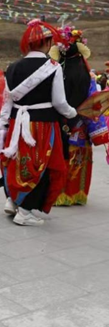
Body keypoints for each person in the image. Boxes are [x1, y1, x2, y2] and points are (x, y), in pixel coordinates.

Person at [0, 20, 77, 226]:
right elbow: (59, 102)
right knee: (41, 164)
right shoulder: (53, 67)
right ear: (47, 42)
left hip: (16, 122)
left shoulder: (12, 67)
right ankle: (24, 210)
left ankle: (12, 200)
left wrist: (3, 123)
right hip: (42, 125)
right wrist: (73, 112)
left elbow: (7, 100)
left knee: (15, 160)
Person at [50, 27, 108, 206]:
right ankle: (76, 194)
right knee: (79, 160)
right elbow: (93, 103)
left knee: (60, 157)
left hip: (58, 123)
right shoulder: (88, 77)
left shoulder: (55, 73)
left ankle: (57, 194)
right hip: (80, 125)